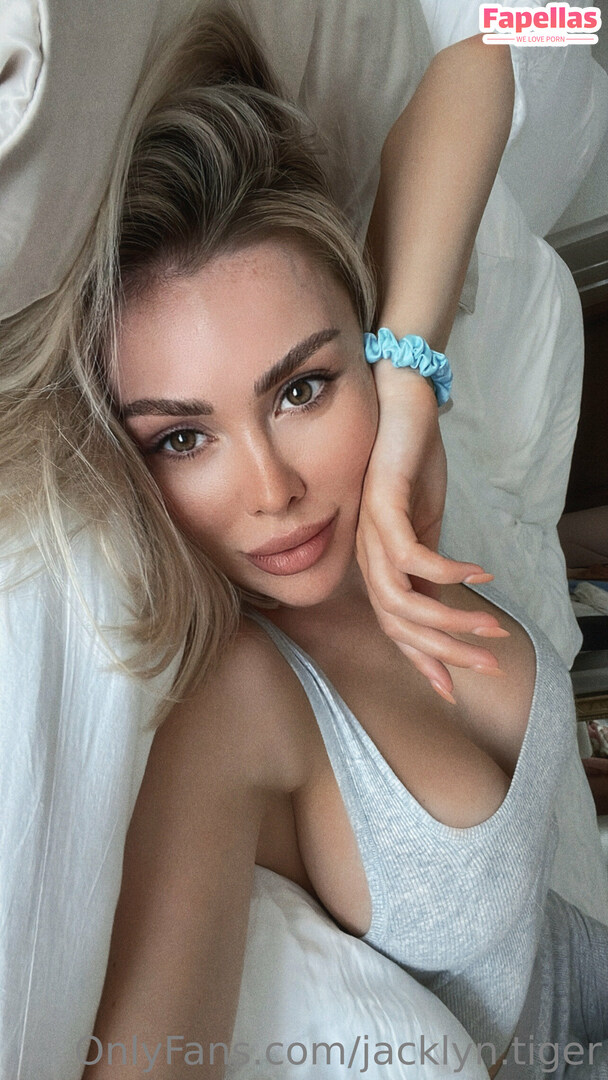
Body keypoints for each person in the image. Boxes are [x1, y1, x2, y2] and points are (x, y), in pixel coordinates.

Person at [38, 8, 604, 1079]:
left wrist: (410, 388)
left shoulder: (390, 470)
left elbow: (496, 37)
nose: (275, 492)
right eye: (183, 438)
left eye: (300, 388)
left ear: (363, 341)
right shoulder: (233, 710)